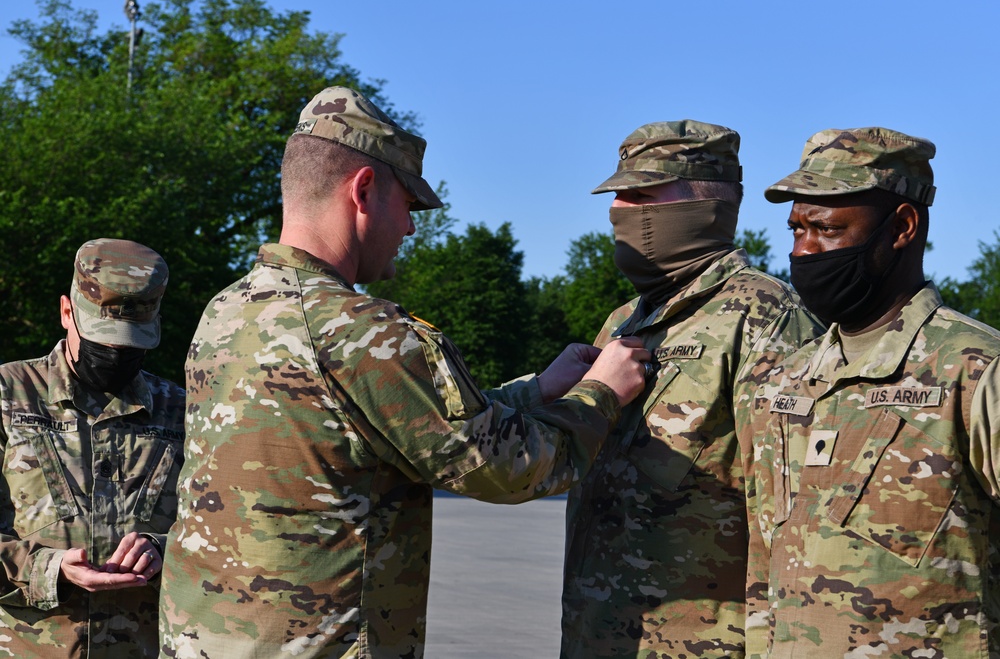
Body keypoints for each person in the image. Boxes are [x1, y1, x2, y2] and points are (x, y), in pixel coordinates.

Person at [157, 85, 649, 659]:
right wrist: (600, 394)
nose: (412, 230)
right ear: (364, 190)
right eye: (409, 207)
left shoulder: (229, 308)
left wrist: (538, 390)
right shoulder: (359, 329)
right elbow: (507, 469)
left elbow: (389, 423)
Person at [560, 121, 824, 658]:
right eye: (618, 196)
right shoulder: (624, 322)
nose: (620, 211)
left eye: (642, 194)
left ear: (703, 205)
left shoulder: (764, 318)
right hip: (601, 636)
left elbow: (789, 516)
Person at [740, 127, 1000, 658]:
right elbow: (763, 567)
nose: (804, 251)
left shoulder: (973, 370)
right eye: (796, 230)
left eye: (827, 229)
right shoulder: (781, 382)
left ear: (902, 227)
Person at [0, 238, 185, 658]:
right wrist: (49, 568)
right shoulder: (8, 395)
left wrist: (161, 547)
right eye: (104, 343)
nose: (117, 355)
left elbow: (220, 535)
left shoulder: (180, 411)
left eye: (132, 345)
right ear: (67, 312)